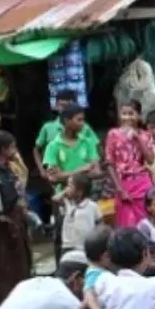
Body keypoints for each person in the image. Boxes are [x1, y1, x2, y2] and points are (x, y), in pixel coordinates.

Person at [44, 103, 101, 263]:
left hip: (87, 197)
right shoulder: (53, 146)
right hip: (64, 197)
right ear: (67, 121)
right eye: (79, 120)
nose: (83, 124)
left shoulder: (87, 142)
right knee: (62, 238)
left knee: (92, 235)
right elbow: (53, 178)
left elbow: (96, 171)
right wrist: (83, 169)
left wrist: (65, 174)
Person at [0, 131, 32, 304]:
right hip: (4, 223)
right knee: (7, 269)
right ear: (3, 149)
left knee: (22, 265)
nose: (15, 150)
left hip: (17, 219)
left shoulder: (10, 168)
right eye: (12, 147)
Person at [104, 100, 155, 228]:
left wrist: (138, 139)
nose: (127, 117)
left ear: (139, 115)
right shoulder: (113, 134)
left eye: (131, 113)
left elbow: (150, 159)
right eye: (124, 114)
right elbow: (109, 163)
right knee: (126, 222)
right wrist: (119, 188)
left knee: (146, 220)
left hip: (143, 182)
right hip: (123, 182)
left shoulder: (146, 135)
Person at [55, 172, 101, 262]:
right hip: (68, 245)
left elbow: (100, 223)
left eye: (70, 186)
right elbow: (55, 199)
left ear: (79, 192)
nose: (67, 188)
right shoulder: (67, 203)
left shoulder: (92, 206)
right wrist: (65, 192)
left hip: (85, 245)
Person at [33, 88, 79, 176]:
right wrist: (42, 170)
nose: (64, 109)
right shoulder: (48, 127)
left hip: (79, 176)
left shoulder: (83, 128)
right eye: (61, 105)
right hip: (55, 177)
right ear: (56, 106)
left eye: (68, 106)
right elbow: (36, 150)